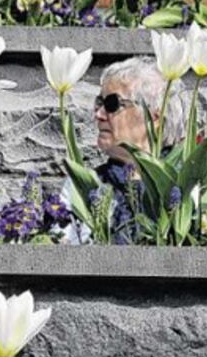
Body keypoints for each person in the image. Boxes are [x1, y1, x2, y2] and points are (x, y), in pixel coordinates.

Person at [60, 56, 185, 245]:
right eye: (98, 103)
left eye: (111, 104)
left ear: (155, 117)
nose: (99, 115)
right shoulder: (83, 188)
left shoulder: (189, 188)